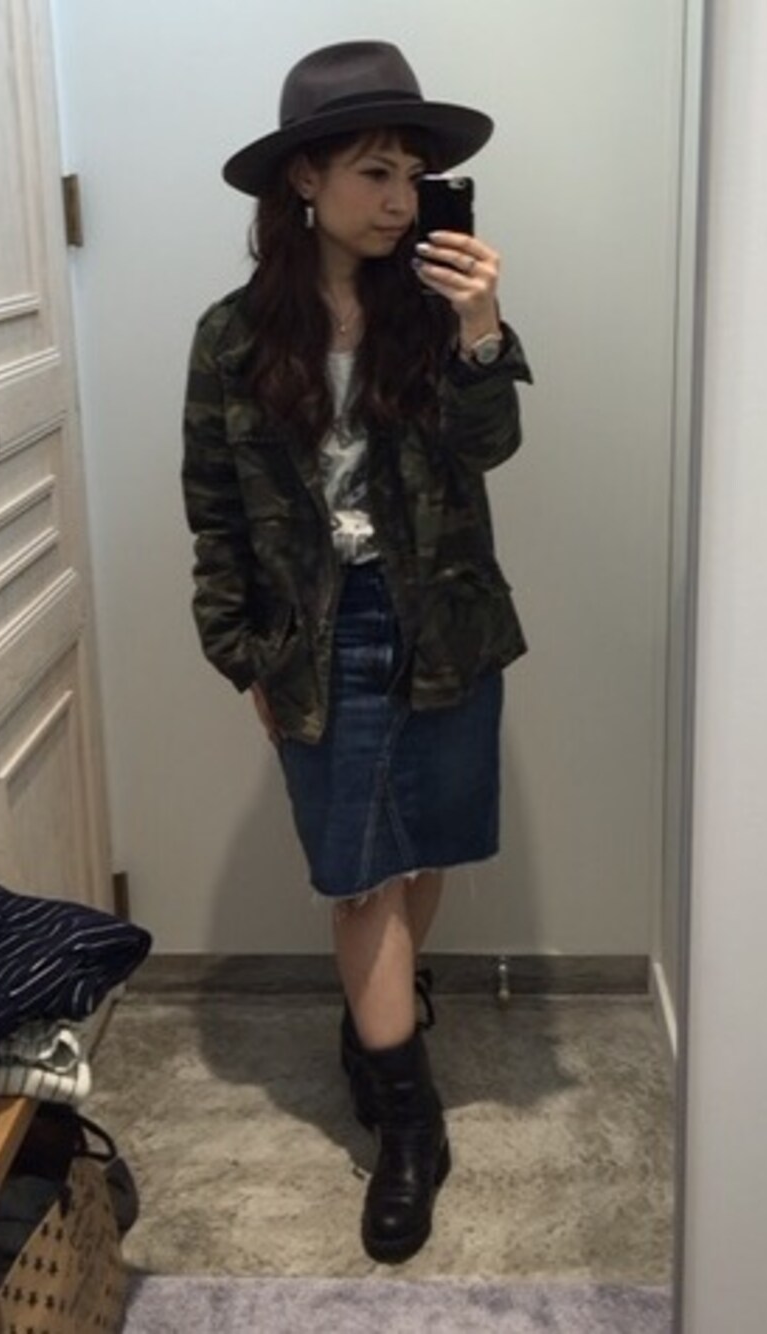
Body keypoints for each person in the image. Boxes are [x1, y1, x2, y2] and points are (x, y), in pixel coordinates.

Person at [181, 40, 531, 1264]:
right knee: (359, 875)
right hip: (316, 633)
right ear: (305, 181)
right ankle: (409, 1124)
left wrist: (479, 327)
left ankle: (374, 1025)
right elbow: (213, 508)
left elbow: (489, 448)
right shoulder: (233, 337)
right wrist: (244, 653)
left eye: (412, 176)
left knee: (421, 843)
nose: (398, 199)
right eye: (373, 173)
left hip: (442, 616)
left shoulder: (435, 311)